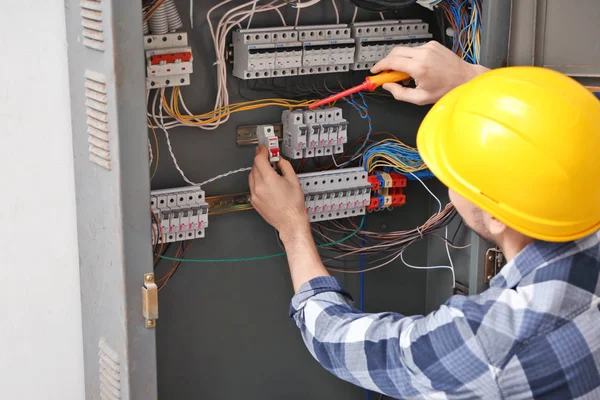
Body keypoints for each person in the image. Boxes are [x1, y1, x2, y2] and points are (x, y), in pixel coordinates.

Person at [248, 41, 600, 399]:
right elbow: (573, 132)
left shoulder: (494, 345)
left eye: (452, 174)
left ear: (495, 215)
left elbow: (335, 339)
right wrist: (467, 80)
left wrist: (292, 227)